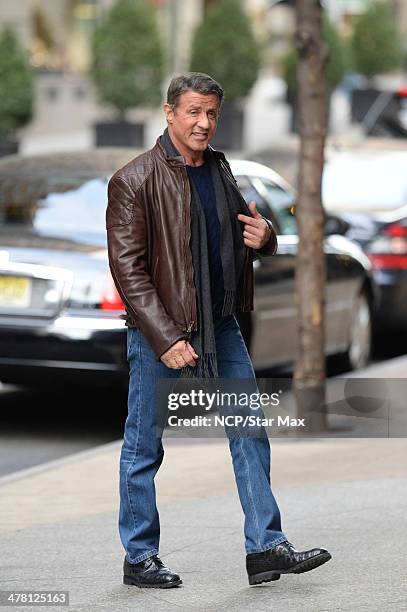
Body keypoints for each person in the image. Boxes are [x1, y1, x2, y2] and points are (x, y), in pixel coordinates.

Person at [106, 72, 331, 588]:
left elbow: (235, 233)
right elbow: (129, 270)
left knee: (249, 431)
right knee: (145, 446)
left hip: (221, 324)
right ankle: (139, 556)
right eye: (193, 112)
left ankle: (267, 548)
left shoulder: (220, 167)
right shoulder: (134, 179)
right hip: (159, 333)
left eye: (211, 113)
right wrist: (166, 338)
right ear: (169, 113)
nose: (204, 123)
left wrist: (266, 236)